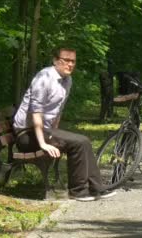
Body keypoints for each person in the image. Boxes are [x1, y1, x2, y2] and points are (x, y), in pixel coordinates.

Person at [13, 47, 116, 201]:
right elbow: (36, 113)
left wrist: (55, 134)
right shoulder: (44, 78)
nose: (70, 64)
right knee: (78, 142)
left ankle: (97, 188)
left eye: (73, 61)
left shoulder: (67, 80)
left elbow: (57, 111)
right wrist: (44, 143)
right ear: (55, 61)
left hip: (44, 130)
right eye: (66, 60)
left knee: (84, 140)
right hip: (26, 135)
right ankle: (78, 191)